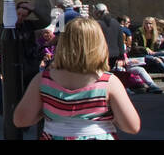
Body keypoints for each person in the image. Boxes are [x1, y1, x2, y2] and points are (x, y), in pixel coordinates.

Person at [13, 17, 141, 140]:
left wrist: (46, 111)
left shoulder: (43, 79)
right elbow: (132, 126)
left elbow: (21, 120)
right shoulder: (108, 82)